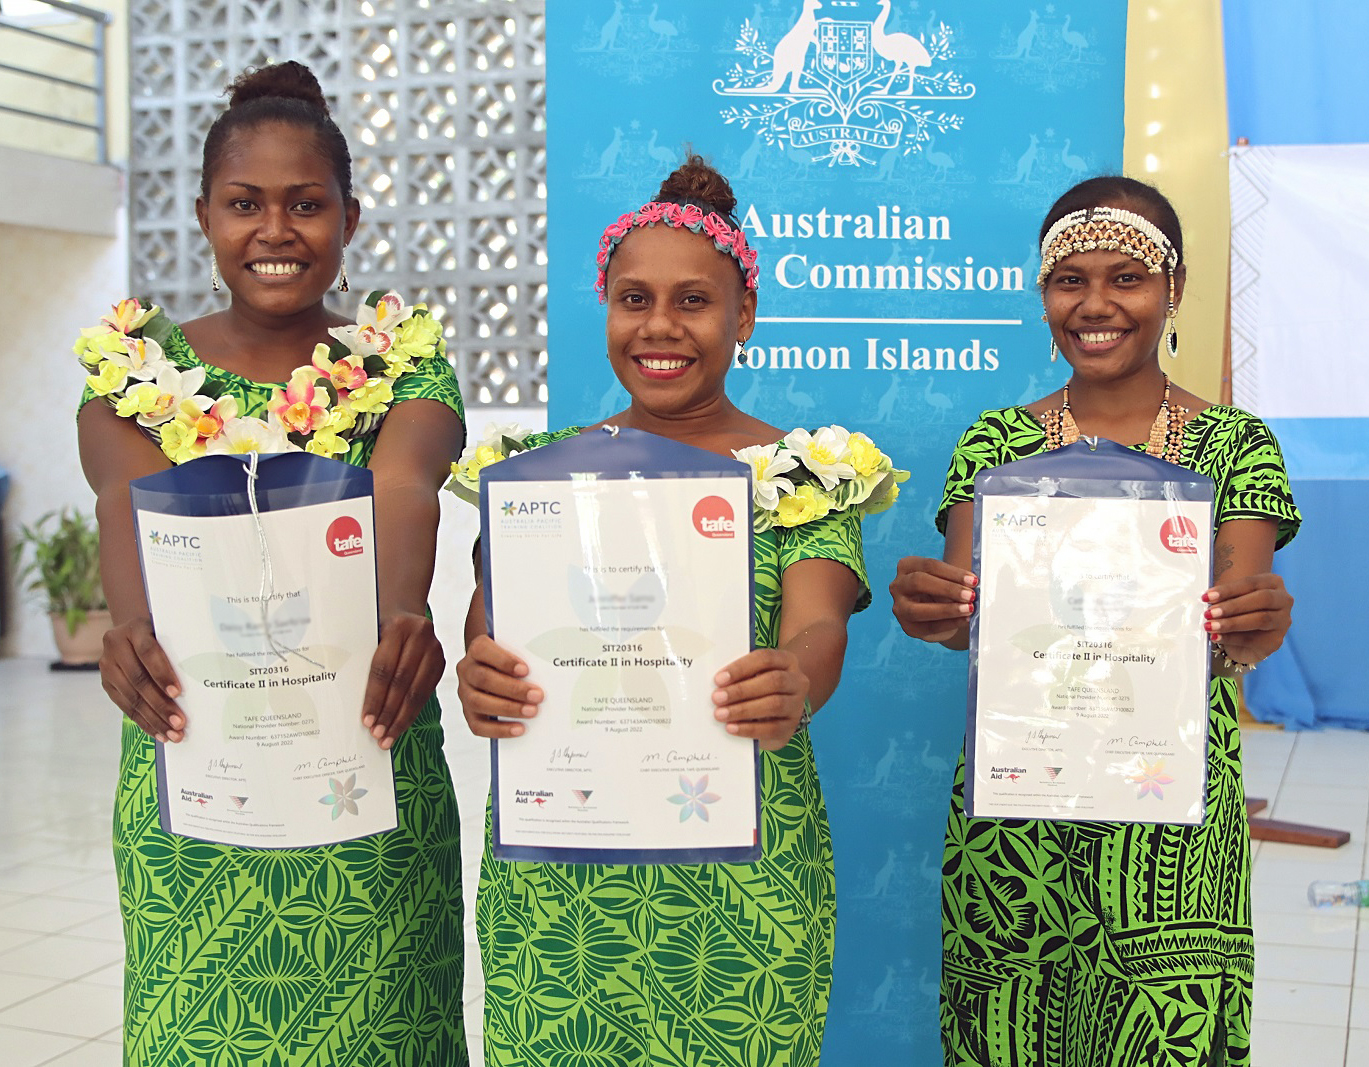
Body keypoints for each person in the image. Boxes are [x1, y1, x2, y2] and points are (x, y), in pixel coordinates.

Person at [454, 157, 900, 1065]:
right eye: (633, 299)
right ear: (606, 307)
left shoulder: (801, 473)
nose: (659, 326)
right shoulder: (540, 472)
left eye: (692, 301)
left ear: (743, 314)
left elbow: (818, 628)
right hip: (559, 887)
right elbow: (488, 623)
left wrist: (794, 680)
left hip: (741, 881)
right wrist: (481, 671)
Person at [75, 62, 469, 1065]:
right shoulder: (133, 376)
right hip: (200, 764)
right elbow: (125, 504)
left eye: (306, 203)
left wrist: (399, 613)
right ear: (204, 214)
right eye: (245, 204)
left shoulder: (402, 365)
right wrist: (129, 631)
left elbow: (403, 482)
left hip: (363, 758)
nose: (276, 229)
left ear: (348, 214)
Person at [890, 176, 1299, 1066]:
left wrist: (1256, 621)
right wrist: (932, 606)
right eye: (1069, 279)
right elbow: (966, 618)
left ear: (1173, 290)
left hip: (1169, 834)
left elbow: (1238, 631)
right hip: (1015, 828)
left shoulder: (1233, 445)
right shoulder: (994, 444)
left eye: (1127, 278)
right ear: (1043, 296)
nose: (1096, 303)